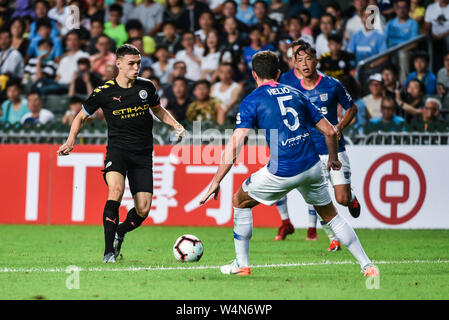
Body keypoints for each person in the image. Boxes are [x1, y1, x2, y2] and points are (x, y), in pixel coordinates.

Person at [199, 50, 378, 277]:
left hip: (282, 171)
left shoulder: (252, 100)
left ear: (254, 75)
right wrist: (333, 158)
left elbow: (236, 144)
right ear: (279, 73)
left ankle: (241, 265)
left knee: (239, 201)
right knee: (332, 215)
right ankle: (368, 266)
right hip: (312, 167)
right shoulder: (297, 93)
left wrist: (216, 181)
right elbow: (330, 132)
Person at [57, 44, 185, 263]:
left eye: (138, 63)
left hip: (143, 155)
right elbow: (80, 116)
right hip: (117, 151)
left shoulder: (147, 87)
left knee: (143, 209)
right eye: (131, 64)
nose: (136, 68)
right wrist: (71, 141)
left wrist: (176, 125)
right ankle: (108, 253)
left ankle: (120, 231)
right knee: (116, 190)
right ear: (118, 64)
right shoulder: (104, 92)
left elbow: (158, 110)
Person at [277, 41, 361, 245]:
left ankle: (351, 198)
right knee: (319, 200)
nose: (304, 64)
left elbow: (352, 109)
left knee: (341, 198)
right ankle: (334, 239)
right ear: (295, 66)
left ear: (315, 61)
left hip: (334, 149)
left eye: (308, 59)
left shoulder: (332, 84)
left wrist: (339, 127)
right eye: (299, 61)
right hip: (310, 154)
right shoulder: (292, 90)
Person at [385, 0, 419, 84]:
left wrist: (398, 49)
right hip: (390, 52)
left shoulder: (413, 23)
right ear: (396, 9)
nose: (401, 10)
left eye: (404, 7)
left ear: (408, 9)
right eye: (399, 7)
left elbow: (414, 44)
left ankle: (403, 85)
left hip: (407, 52)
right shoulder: (390, 24)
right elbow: (384, 41)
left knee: (402, 54)